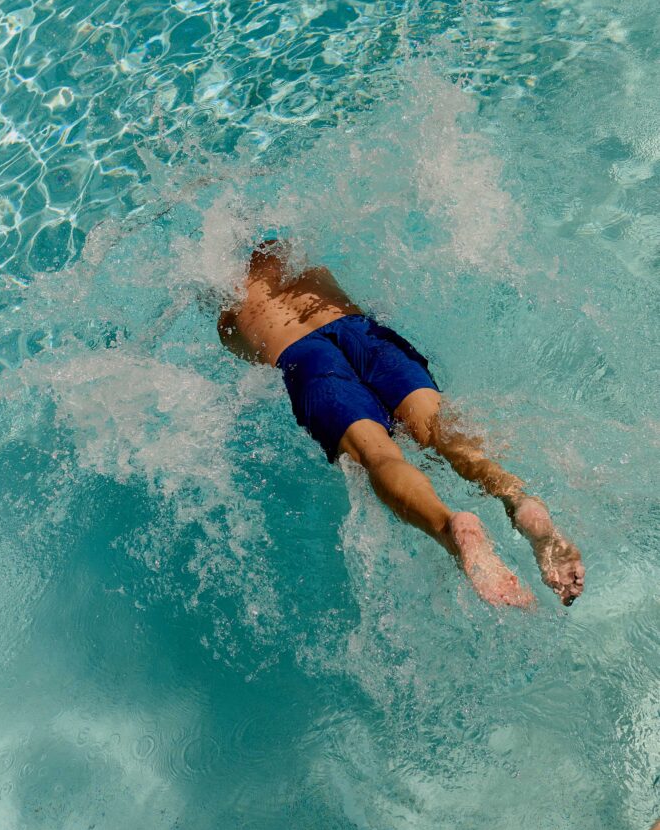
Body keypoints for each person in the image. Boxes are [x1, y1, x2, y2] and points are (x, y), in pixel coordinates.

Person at [218, 239, 585, 609]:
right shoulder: (302, 263)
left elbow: (249, 354)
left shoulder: (230, 311)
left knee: (377, 454)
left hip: (303, 356)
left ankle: (449, 528)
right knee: (439, 430)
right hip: (360, 331)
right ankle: (519, 500)